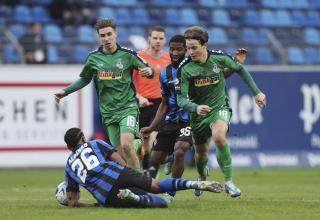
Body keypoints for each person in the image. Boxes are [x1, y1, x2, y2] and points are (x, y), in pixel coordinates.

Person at [141, 35, 248, 201]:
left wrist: (236, 64)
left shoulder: (193, 66)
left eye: (180, 49)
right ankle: (171, 159)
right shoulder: (165, 73)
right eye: (172, 49)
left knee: (180, 150)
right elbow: (164, 104)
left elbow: (217, 75)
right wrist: (153, 127)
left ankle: (171, 193)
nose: (175, 52)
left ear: (186, 50)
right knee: (156, 158)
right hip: (172, 120)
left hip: (189, 118)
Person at [176, 26, 266, 198]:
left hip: (219, 107)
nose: (190, 52)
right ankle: (202, 177)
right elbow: (181, 100)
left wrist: (257, 93)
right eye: (188, 48)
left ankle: (229, 182)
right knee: (200, 154)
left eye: (194, 47)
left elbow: (239, 69)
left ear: (204, 45)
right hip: (198, 116)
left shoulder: (219, 58)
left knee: (219, 136)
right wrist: (195, 108)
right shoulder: (185, 69)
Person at [54, 19, 154, 170]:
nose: (106, 38)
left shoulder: (128, 55)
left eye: (109, 34)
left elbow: (149, 70)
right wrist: (65, 91)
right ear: (98, 37)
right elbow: (84, 79)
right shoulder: (94, 58)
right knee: (123, 156)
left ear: (115, 34)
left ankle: (140, 184)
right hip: (108, 112)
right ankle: (138, 148)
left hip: (128, 108)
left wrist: (149, 71)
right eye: (103, 35)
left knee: (127, 146)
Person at [62, 127, 223, 208]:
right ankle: (193, 184)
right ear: (83, 138)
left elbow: (72, 201)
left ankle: (136, 198)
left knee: (158, 203)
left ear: (69, 148)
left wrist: (94, 205)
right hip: (118, 174)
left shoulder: (69, 167)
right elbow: (117, 158)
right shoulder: (94, 144)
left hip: (105, 194)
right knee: (157, 186)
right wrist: (129, 173)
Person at [133, 26, 171, 170]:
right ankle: (145, 169)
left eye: (161, 38)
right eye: (155, 38)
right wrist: (138, 97)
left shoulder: (168, 59)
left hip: (160, 104)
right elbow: (128, 84)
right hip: (142, 104)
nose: (158, 41)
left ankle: (151, 171)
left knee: (153, 138)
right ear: (149, 38)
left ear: (165, 40)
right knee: (144, 144)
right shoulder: (138, 57)